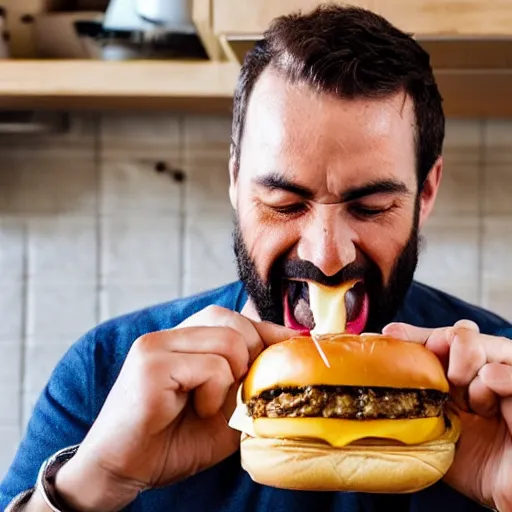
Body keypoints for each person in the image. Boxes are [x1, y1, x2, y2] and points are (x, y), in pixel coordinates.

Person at [2, 4, 512, 512]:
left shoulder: (499, 388)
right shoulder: (106, 371)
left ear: (425, 193)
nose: (327, 256)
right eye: (284, 204)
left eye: (371, 207)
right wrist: (93, 482)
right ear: (234, 182)